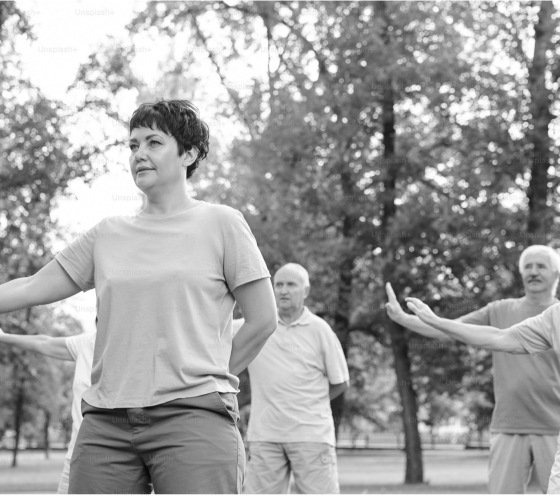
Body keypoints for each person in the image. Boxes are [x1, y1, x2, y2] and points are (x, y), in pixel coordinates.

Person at [0, 100, 278, 495]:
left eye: (153, 142)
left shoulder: (222, 223)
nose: (139, 155)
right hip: (105, 423)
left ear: (190, 153)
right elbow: (31, 287)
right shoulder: (107, 233)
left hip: (193, 420)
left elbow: (263, 319)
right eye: (132, 146)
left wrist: (205, 379)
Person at [386, 245, 560, 495]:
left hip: (554, 424)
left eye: (541, 266)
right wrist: (404, 318)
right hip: (508, 423)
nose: (533, 272)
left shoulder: (556, 315)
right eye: (528, 267)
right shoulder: (502, 310)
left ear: (556, 274)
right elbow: (452, 329)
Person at [240, 263, 350, 495]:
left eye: (291, 285)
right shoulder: (255, 327)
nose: (283, 290)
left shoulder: (320, 330)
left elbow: (341, 382)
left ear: (306, 291)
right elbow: (213, 331)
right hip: (265, 436)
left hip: (312, 436)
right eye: (278, 285)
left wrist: (310, 403)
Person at [0, 318, 95, 495]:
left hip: (117, 456)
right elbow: (43, 342)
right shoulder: (87, 342)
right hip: (77, 455)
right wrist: (3, 337)